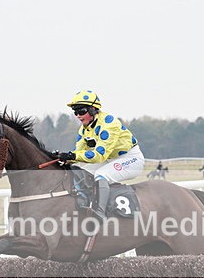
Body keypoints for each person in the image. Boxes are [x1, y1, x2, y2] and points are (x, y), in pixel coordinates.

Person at [56, 90, 145, 219]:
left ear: (93, 109)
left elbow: (99, 156)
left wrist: (72, 156)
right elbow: (78, 153)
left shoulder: (109, 124)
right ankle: (85, 202)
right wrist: (63, 158)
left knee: (101, 175)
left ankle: (100, 212)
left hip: (130, 159)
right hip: (110, 159)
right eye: (75, 112)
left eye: (81, 111)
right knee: (79, 169)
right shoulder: (84, 129)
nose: (78, 116)